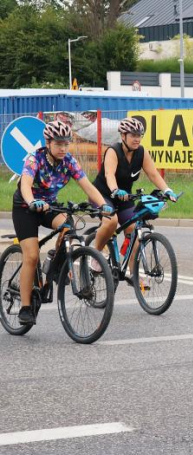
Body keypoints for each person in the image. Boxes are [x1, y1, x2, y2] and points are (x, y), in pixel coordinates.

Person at [11, 121, 113, 325]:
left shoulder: (69, 162)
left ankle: (56, 264)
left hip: (49, 207)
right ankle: (25, 307)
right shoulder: (34, 159)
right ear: (48, 143)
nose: (63, 148)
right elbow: (26, 185)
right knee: (31, 256)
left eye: (66, 144)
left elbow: (88, 186)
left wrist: (103, 205)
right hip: (26, 208)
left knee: (69, 227)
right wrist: (31, 202)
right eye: (58, 144)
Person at [91, 117, 177, 282]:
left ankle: (133, 274)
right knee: (111, 221)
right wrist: (115, 190)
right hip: (102, 194)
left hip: (124, 196)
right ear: (123, 136)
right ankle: (95, 254)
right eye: (133, 135)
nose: (137, 139)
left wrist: (167, 190)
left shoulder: (141, 152)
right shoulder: (113, 151)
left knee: (134, 229)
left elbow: (153, 174)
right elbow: (109, 174)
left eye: (139, 135)